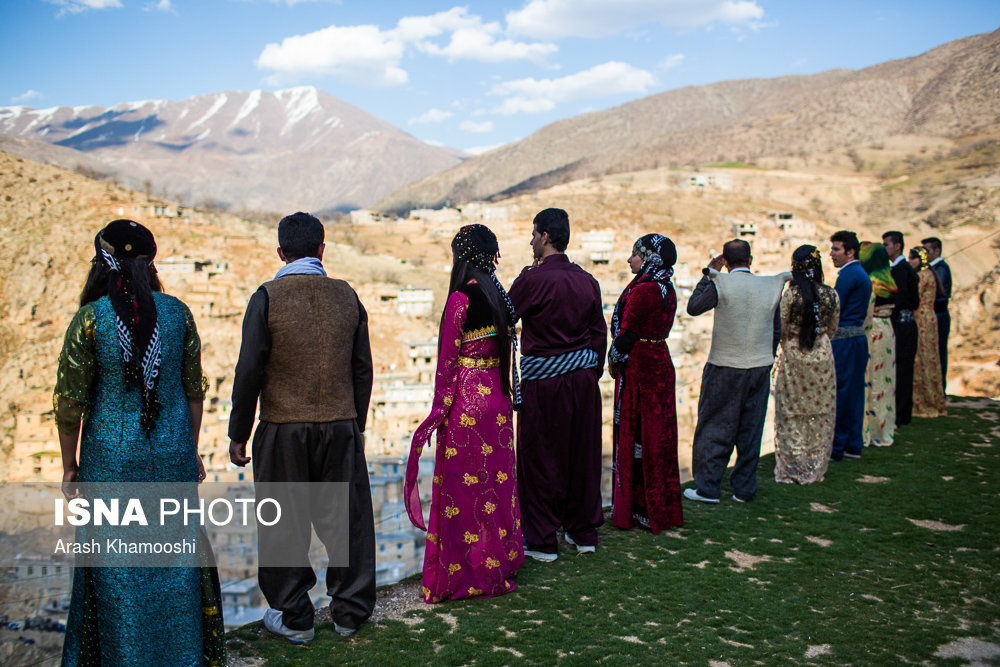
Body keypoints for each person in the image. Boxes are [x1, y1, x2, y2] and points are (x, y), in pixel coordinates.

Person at [55, 219, 225, 666]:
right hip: (169, 453)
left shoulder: (91, 320)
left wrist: (69, 466)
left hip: (110, 459)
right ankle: (183, 655)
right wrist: (188, 449)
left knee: (119, 569)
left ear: (102, 263)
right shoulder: (178, 313)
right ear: (151, 261)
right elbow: (193, 390)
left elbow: (69, 402)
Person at [228, 212, 375, 643]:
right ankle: (348, 612)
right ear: (322, 250)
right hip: (340, 424)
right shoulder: (347, 296)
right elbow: (362, 368)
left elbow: (249, 369)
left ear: (281, 252)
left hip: (282, 427)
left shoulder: (267, 297)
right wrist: (355, 422)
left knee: (283, 523)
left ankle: (295, 618)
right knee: (345, 520)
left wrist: (239, 431)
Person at [403, 224, 524, 602]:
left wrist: (435, 416)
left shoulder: (461, 299)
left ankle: (467, 573)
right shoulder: (498, 297)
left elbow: (446, 365)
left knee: (463, 491)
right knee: (494, 486)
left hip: (467, 406)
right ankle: (499, 562)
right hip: (498, 406)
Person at [508, 208, 607, 560]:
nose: (531, 241)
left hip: (544, 384)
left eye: (534, 235)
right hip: (582, 382)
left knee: (540, 458)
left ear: (545, 237)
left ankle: (542, 540)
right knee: (582, 455)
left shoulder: (532, 280)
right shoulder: (587, 280)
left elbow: (506, 315)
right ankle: (583, 534)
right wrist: (584, 372)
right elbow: (599, 335)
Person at [684, 239, 790, 503]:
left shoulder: (721, 282)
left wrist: (708, 274)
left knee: (714, 426)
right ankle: (744, 489)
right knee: (751, 427)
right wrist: (768, 356)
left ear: (725, 261)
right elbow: (775, 329)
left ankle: (708, 488)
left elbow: (694, 307)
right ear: (750, 260)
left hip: (724, 365)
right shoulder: (770, 285)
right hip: (759, 365)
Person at [608, 234, 683, 532]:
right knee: (658, 435)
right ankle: (659, 507)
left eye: (635, 254)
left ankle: (636, 509)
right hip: (660, 362)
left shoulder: (644, 290)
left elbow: (625, 335)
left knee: (636, 432)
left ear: (649, 257)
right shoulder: (668, 287)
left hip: (639, 366)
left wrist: (613, 359)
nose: (630, 260)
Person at [773, 245, 840, 484]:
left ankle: (793, 466)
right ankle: (815, 466)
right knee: (819, 411)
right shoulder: (831, 294)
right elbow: (832, 329)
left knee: (791, 411)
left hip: (793, 355)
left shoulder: (791, 296)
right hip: (822, 356)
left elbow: (781, 327)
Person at [829, 230, 873, 460]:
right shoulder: (860, 273)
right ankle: (852, 445)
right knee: (854, 392)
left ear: (850, 251)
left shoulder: (847, 275)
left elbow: (835, 308)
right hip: (857, 339)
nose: (831, 254)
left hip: (844, 340)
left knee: (842, 393)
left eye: (836, 249)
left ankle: (837, 447)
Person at [859, 242, 897, 447]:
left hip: (872, 331)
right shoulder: (889, 281)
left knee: (870, 379)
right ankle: (883, 427)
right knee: (885, 380)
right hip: (887, 329)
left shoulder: (871, 283)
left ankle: (868, 429)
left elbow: (866, 313)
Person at [882, 230, 919, 427]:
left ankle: (901, 414)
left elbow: (901, 298)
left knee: (902, 370)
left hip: (902, 326)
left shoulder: (901, 270)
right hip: (906, 325)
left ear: (897, 246)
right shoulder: (901, 269)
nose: (884, 248)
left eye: (886, 244)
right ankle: (902, 413)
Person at [908, 247, 948, 417]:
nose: (910, 262)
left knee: (921, 358)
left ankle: (922, 401)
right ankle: (934, 398)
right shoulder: (931, 274)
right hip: (929, 317)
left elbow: (914, 296)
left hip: (921, 319)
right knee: (930, 358)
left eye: (913, 258)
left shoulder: (922, 276)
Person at [921, 237, 951, 390]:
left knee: (938, 352)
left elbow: (938, 294)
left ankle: (939, 389)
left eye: (927, 250)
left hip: (938, 315)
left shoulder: (941, 269)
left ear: (936, 250)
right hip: (931, 315)